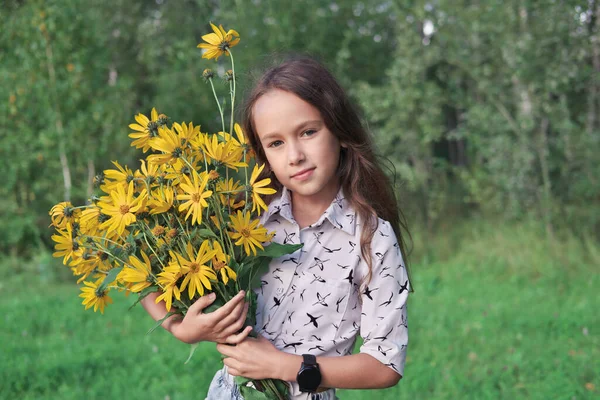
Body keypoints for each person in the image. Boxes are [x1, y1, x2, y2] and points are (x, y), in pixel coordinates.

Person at [141, 56, 412, 400]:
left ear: (340, 132)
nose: (294, 155)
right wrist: (181, 327)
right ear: (262, 153)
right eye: (276, 143)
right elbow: (146, 274)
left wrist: (283, 366)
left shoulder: (371, 236)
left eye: (308, 132)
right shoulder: (243, 218)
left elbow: (385, 366)